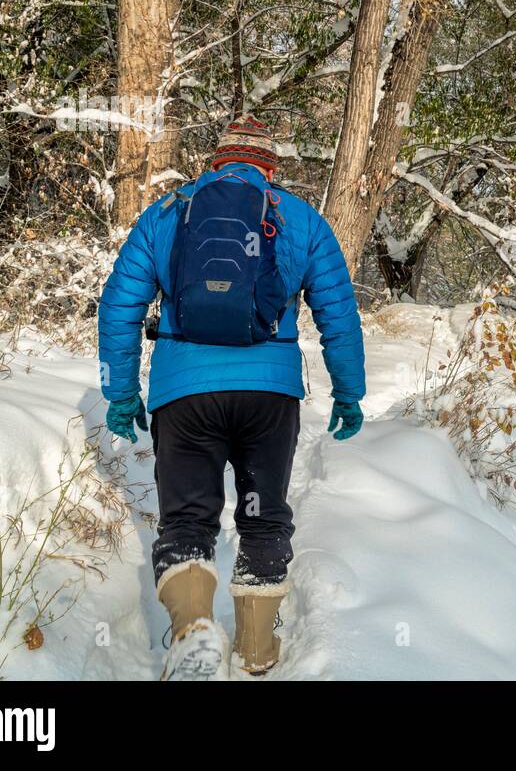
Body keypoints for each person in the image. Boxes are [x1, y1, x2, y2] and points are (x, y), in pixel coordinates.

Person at [97, 115, 365, 680]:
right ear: (269, 166)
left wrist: (122, 395)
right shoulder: (301, 220)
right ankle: (256, 653)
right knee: (263, 520)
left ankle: (194, 630)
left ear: (216, 162)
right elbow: (339, 317)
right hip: (268, 397)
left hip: (184, 394)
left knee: (188, 520)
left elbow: (119, 307)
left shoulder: (169, 214)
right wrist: (349, 393)